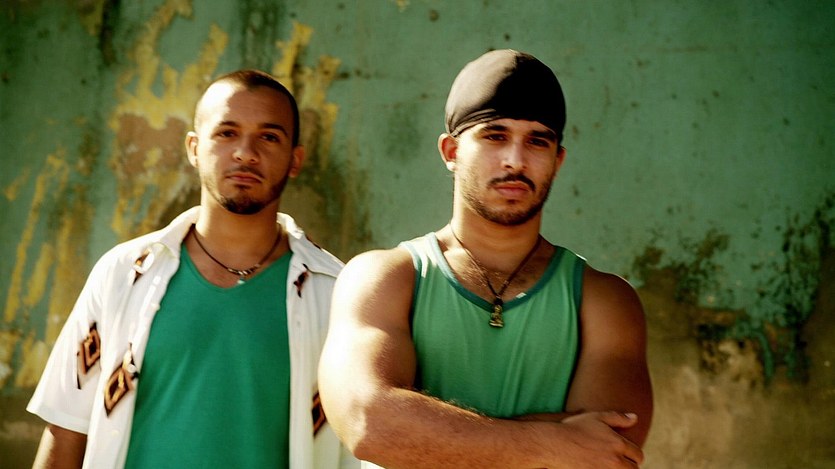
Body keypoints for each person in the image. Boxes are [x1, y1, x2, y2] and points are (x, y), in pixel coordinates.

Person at [318, 49, 653, 468]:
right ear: (451, 151)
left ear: (558, 160)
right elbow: (370, 423)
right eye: (495, 136)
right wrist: (553, 442)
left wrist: (424, 430)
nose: (515, 160)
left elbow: (609, 453)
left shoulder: (603, 301)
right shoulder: (384, 278)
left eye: (537, 141)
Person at [28, 70, 356, 468]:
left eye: (269, 137)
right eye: (226, 133)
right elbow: (66, 429)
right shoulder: (123, 273)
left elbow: (357, 446)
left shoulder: (336, 292)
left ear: (295, 160)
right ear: (194, 148)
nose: (245, 153)